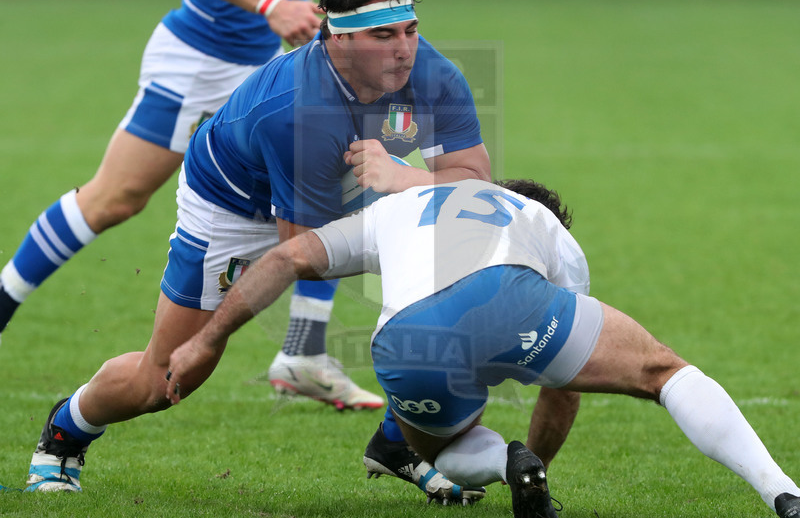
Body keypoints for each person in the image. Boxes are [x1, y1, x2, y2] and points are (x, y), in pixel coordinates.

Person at [20, 0, 542, 503]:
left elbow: (475, 180)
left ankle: (395, 443)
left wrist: (403, 177)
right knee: (164, 380)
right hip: (232, 209)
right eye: (382, 35)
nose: (403, 49)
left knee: (466, 286)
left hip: (344, 190)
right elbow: (301, 253)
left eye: (410, 30)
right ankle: (65, 431)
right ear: (336, 39)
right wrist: (211, 338)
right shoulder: (295, 111)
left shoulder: (433, 74)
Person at [164, 177, 800, 518]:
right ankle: (781, 492)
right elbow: (563, 389)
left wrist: (207, 339)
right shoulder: (543, 225)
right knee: (662, 372)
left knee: (433, 448)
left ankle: (502, 464)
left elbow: (289, 257)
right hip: (514, 300)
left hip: (409, 340)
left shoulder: (402, 205)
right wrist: (544, 467)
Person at [0, 0, 386, 411]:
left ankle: (304, 350)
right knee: (114, 200)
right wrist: (272, 5)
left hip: (264, 64)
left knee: (323, 181)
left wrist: (301, 13)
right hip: (199, 58)